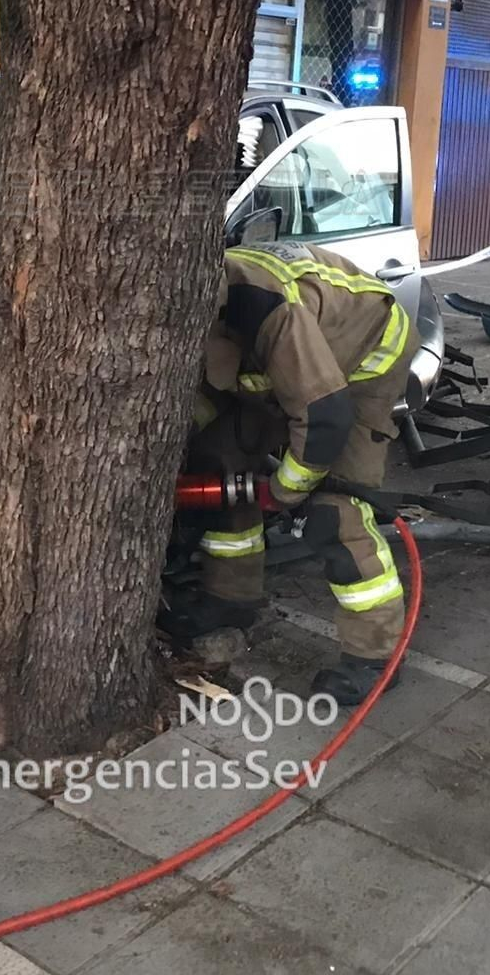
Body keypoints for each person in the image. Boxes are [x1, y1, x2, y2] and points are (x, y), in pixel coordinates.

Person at [168, 240, 410, 705]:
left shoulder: (266, 307)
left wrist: (286, 490)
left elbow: (325, 415)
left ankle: (377, 654)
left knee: (334, 512)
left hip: (363, 364)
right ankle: (231, 599)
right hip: (287, 374)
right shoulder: (186, 306)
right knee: (221, 471)